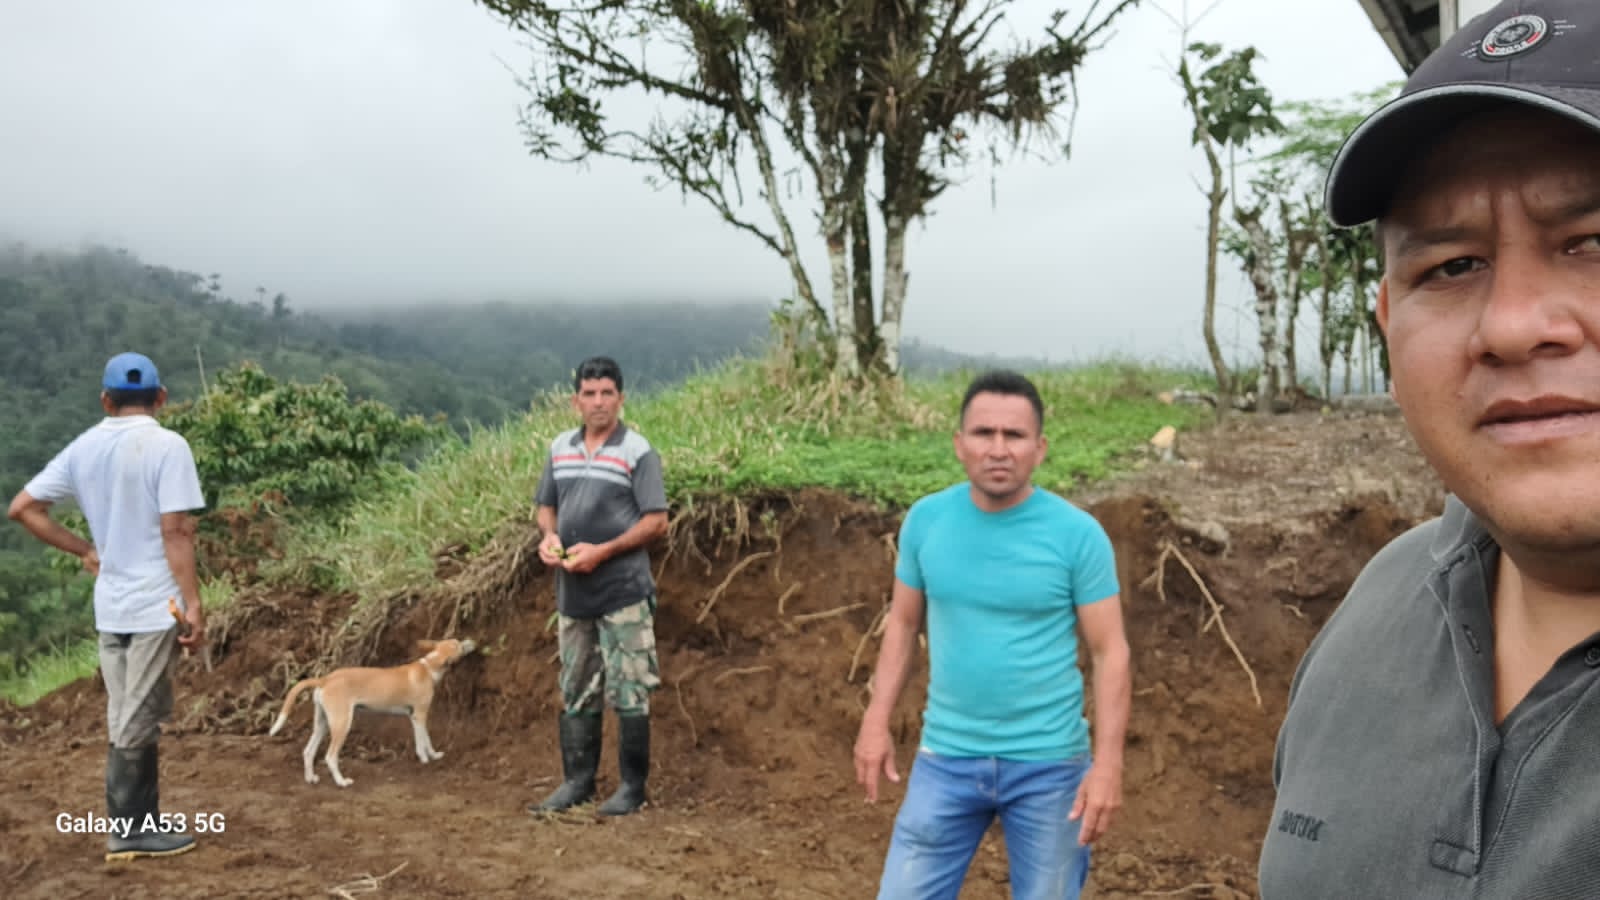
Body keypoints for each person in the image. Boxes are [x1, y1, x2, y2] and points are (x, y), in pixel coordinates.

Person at [1259, 2, 1600, 896]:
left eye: (1593, 242)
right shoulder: (1378, 605)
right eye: (1451, 266)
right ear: (1387, 321)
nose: (1514, 325)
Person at [854, 369, 1131, 900]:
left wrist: (1108, 765)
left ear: (1040, 448)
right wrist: (875, 721)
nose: (999, 449)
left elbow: (1109, 651)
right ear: (959, 444)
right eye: (984, 433)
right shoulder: (926, 522)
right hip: (946, 758)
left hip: (1051, 767)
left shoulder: (1078, 536)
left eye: (1015, 435)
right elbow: (904, 624)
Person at [8, 351, 207, 862]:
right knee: (135, 716)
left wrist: (85, 550)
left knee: (129, 710)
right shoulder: (168, 445)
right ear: (160, 397)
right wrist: (193, 602)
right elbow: (176, 531)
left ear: (105, 400)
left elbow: (23, 508)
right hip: (154, 605)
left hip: (111, 608)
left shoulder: (83, 449)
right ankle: (129, 831)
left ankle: (143, 820)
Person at [528, 356, 669, 818]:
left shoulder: (638, 451)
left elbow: (657, 521)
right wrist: (549, 537)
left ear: (621, 398)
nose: (598, 402)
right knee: (576, 688)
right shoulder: (559, 448)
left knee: (630, 689)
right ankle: (577, 782)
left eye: (607, 393)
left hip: (623, 592)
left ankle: (632, 788)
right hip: (573, 595)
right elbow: (545, 506)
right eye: (589, 394)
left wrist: (603, 551)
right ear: (576, 401)